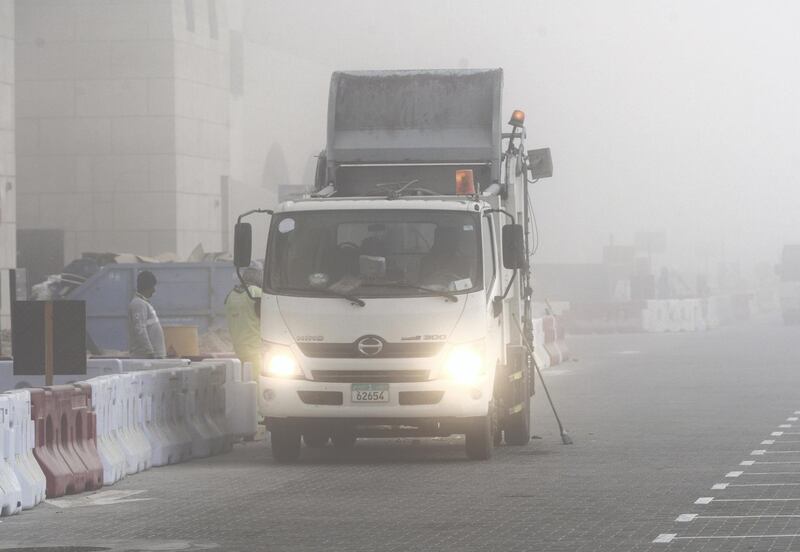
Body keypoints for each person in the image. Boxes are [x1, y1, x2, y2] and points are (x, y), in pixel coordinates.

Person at [225, 264, 263, 379]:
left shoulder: (230, 295)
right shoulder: (257, 293)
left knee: (244, 382)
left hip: (238, 349)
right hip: (256, 349)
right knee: (258, 384)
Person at [128, 270, 166, 359]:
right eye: (153, 287)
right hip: (147, 357)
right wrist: (149, 351)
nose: (154, 290)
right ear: (147, 287)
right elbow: (140, 329)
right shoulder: (138, 304)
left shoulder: (144, 303)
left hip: (153, 355)